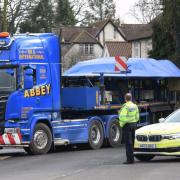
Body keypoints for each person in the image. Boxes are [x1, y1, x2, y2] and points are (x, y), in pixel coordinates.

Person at [119, 93, 139, 164]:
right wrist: (134, 122)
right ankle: (132, 159)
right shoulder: (135, 106)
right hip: (133, 124)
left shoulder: (125, 106)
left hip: (127, 125)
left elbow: (122, 117)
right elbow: (137, 116)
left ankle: (129, 160)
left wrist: (121, 125)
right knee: (132, 142)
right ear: (131, 98)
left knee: (128, 143)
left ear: (125, 98)